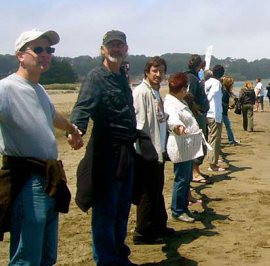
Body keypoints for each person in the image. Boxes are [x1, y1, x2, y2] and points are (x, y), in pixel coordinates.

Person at [0, 29, 83, 265]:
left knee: (47, 255)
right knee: (27, 256)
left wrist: (71, 129)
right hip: (26, 179)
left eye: (49, 50)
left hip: (49, 177)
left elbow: (52, 114)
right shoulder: (6, 88)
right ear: (20, 55)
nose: (45, 54)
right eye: (38, 49)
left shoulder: (39, 89)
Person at [70, 30, 137, 265]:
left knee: (121, 210)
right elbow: (82, 108)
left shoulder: (121, 77)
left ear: (126, 49)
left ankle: (119, 256)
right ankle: (107, 261)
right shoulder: (95, 77)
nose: (116, 49)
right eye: (111, 46)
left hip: (126, 153)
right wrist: (76, 129)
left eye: (120, 45)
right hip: (106, 155)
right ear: (103, 50)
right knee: (105, 212)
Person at [131, 56, 174, 244]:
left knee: (156, 189)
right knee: (147, 192)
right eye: (154, 71)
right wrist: (146, 152)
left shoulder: (155, 92)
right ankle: (143, 231)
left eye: (161, 71)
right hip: (147, 151)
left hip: (158, 149)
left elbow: (159, 118)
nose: (158, 74)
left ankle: (159, 225)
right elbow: (139, 125)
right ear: (147, 72)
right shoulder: (141, 92)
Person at [164, 72, 205, 223]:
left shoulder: (180, 100)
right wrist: (178, 127)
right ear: (182, 89)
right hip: (180, 146)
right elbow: (172, 119)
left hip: (187, 146)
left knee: (186, 178)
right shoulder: (170, 103)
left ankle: (183, 208)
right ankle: (178, 210)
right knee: (181, 179)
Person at [185, 55, 210, 181]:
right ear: (199, 65)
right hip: (197, 115)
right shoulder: (191, 78)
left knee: (200, 142)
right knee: (199, 143)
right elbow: (188, 95)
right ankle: (194, 173)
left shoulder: (193, 76)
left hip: (200, 114)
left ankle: (196, 171)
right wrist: (195, 108)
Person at [205, 65, 226, 172]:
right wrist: (207, 103)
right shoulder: (216, 83)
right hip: (214, 114)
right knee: (215, 139)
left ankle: (212, 159)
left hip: (207, 113)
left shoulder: (206, 82)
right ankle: (213, 164)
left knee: (210, 137)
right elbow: (211, 95)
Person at [222, 76, 240, 145]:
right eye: (232, 83)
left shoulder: (225, 91)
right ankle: (232, 141)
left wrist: (228, 106)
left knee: (227, 126)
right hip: (222, 112)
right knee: (228, 126)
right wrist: (228, 106)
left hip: (223, 111)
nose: (233, 85)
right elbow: (222, 102)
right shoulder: (225, 92)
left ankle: (232, 140)